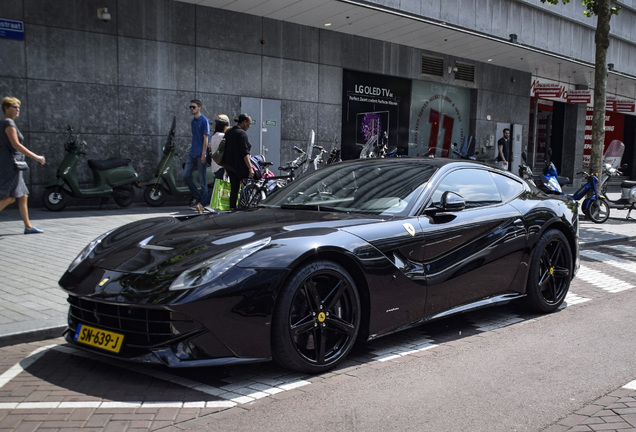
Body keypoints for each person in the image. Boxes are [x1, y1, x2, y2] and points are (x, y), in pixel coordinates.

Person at [0, 97, 46, 234]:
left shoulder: (5, 123)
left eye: (18, 107)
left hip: (11, 163)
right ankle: (28, 227)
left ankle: (28, 226)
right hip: (10, 164)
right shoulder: (8, 123)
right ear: (6, 108)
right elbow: (16, 145)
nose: (17, 109)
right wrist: (36, 157)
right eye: (14, 107)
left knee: (23, 195)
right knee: (9, 198)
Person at [222, 113, 254, 210]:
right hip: (240, 167)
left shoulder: (229, 132)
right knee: (253, 178)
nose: (249, 126)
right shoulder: (242, 134)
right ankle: (246, 203)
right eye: (249, 123)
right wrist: (250, 168)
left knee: (234, 188)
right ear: (244, 122)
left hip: (229, 166)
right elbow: (245, 153)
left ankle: (232, 207)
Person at [183, 99, 209, 209]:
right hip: (192, 153)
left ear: (199, 108)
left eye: (193, 107)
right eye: (190, 107)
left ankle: (203, 203)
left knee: (203, 180)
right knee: (185, 176)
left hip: (200, 154)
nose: (191, 109)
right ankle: (197, 197)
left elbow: (205, 138)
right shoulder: (193, 121)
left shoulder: (204, 121)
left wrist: (203, 154)